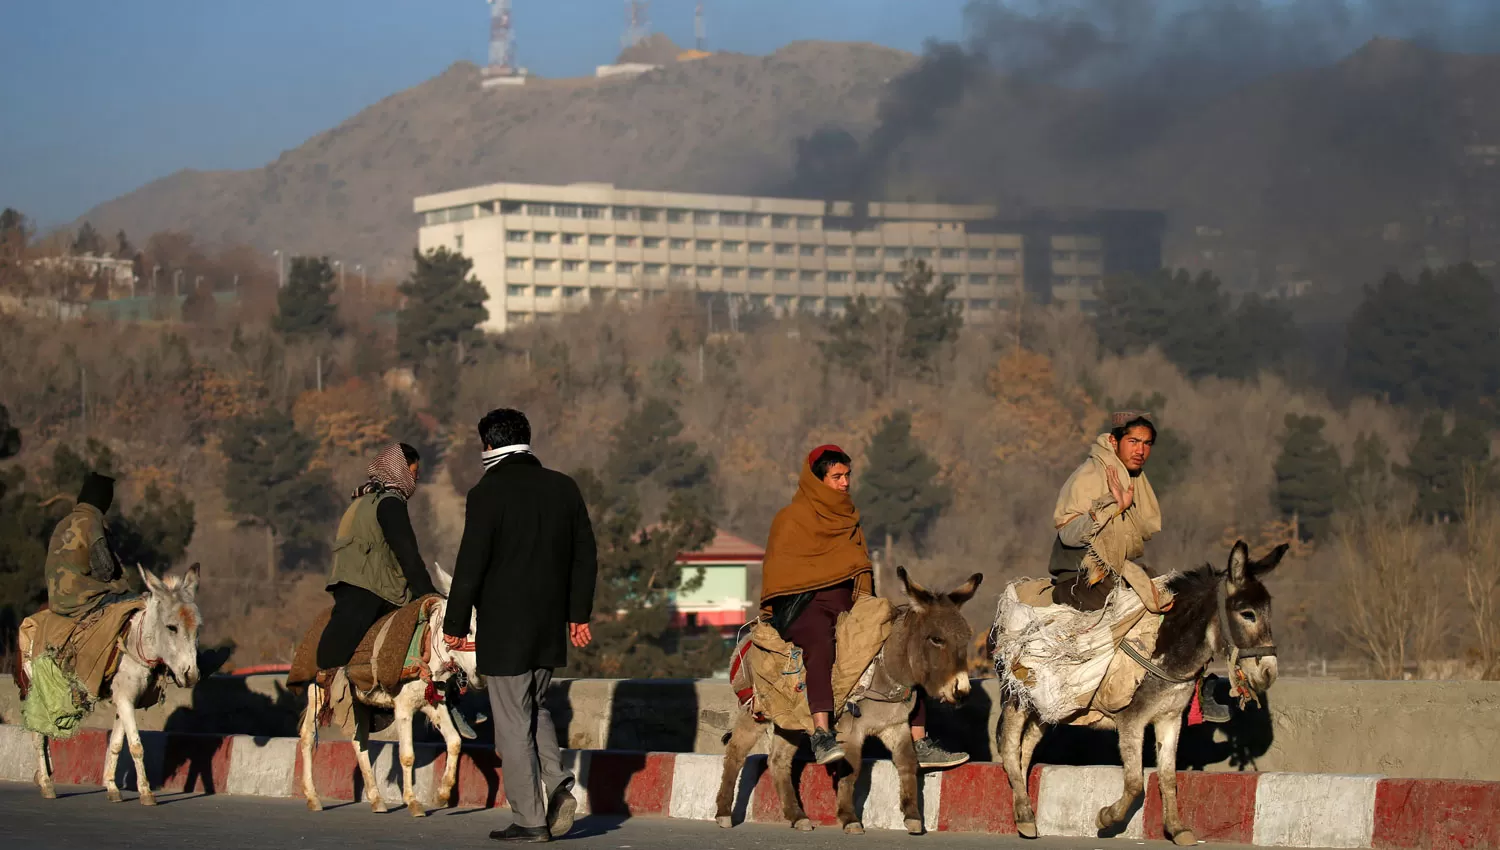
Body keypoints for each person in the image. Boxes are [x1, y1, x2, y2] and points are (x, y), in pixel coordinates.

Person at [443, 408, 598, 844]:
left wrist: (454, 623)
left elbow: (470, 563)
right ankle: (559, 782)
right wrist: (578, 613)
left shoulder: (487, 492)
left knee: (511, 723)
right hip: (548, 627)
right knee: (535, 707)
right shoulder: (563, 487)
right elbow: (585, 556)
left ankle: (530, 819)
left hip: (506, 629)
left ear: (489, 445)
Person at [759, 445, 967, 770]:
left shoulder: (849, 518)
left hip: (848, 606)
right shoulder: (791, 519)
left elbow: (859, 568)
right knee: (820, 644)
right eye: (836, 477)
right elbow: (781, 575)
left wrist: (867, 608)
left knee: (907, 635)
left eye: (847, 475)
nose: (845, 483)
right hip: (802, 606)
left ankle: (919, 739)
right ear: (817, 481)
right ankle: (822, 734)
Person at [1049, 411, 1229, 722]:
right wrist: (1107, 507)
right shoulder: (1092, 476)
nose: (1140, 450)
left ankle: (1197, 687)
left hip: (1118, 571)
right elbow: (1068, 533)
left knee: (1187, 603)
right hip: (1080, 576)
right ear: (1113, 441)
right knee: (1146, 611)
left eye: (1146, 444)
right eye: (1132, 441)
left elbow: (1139, 530)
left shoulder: (1132, 479)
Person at [311, 442, 482, 736]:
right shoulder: (390, 503)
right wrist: (429, 597)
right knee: (434, 640)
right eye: (413, 473)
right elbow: (408, 555)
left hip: (350, 584)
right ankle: (450, 702)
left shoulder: (362, 500)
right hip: (378, 589)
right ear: (400, 470)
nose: (414, 481)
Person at [44, 472, 134, 621]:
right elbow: (106, 570)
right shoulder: (92, 522)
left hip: (55, 600)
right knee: (139, 603)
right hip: (81, 600)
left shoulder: (63, 523)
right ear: (104, 500)